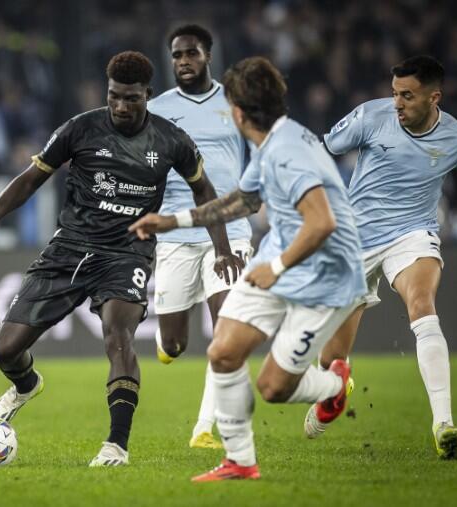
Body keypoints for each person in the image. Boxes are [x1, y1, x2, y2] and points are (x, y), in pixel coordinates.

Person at [0, 51, 240, 467]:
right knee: (5, 351)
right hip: (69, 249)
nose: (120, 106)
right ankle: (26, 386)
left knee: (119, 337)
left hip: (126, 253)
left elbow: (204, 192)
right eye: (114, 96)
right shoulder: (80, 129)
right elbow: (32, 177)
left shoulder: (171, 140)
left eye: (131, 98)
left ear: (147, 94)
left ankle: (116, 445)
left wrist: (222, 249)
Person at [129, 56, 367, 481]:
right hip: (280, 258)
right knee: (223, 352)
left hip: (324, 276)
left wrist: (276, 266)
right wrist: (172, 221)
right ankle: (240, 461)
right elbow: (243, 201)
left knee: (273, 387)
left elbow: (321, 222)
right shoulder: (271, 141)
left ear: (237, 112)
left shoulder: (288, 151)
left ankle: (333, 385)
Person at [308, 55, 457, 459]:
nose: (397, 103)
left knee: (423, 306)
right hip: (355, 241)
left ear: (434, 98)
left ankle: (443, 424)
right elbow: (322, 149)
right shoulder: (371, 117)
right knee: (331, 359)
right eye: (394, 94)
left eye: (407, 96)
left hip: (412, 235)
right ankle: (336, 385)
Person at [147, 24, 250, 450]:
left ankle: (205, 428)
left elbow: (263, 153)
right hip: (177, 232)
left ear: (208, 55)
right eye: (177, 55)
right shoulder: (156, 109)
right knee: (174, 343)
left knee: (226, 329)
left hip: (231, 230)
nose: (184, 61)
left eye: (191, 53)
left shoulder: (237, 101)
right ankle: (167, 341)